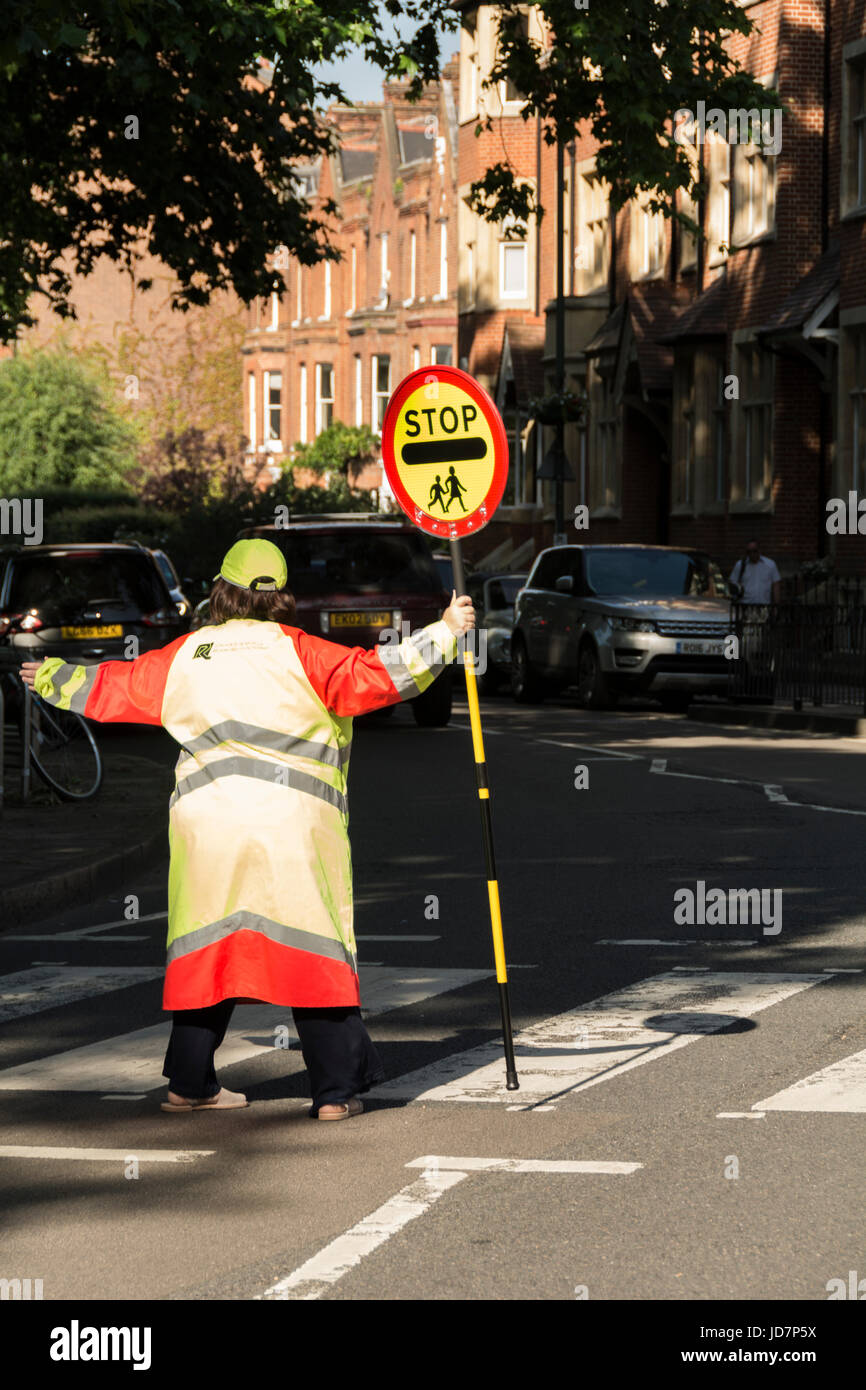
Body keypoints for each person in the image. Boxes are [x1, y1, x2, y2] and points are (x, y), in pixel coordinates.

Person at [21, 539, 475, 1122]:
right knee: (313, 951)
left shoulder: (188, 654)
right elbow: (382, 676)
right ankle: (336, 1092)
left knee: (207, 952)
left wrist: (52, 676)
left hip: (206, 829)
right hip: (293, 827)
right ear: (280, 595)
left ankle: (189, 1084)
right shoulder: (304, 653)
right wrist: (443, 630)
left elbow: (117, 686)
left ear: (221, 589)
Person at [729, 539, 781, 605]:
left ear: (759, 550)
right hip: (745, 605)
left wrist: (776, 605)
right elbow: (733, 583)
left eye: (754, 551)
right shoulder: (740, 565)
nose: (752, 554)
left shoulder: (770, 565)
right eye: (749, 552)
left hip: (764, 606)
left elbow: (776, 585)